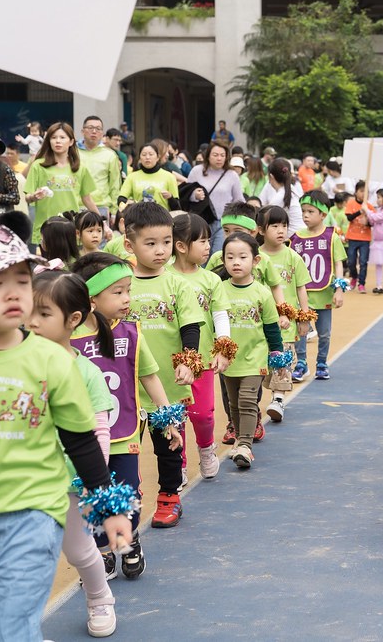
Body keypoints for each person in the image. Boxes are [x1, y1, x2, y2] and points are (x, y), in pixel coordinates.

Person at [0, 217, 132, 642]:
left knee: (8, 628)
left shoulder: (53, 360)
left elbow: (80, 437)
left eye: (21, 281)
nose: (12, 293)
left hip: (31, 514)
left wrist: (108, 505)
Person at [71, 251, 178, 581]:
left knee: (128, 490)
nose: (127, 298)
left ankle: (129, 541)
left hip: (126, 430)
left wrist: (167, 417)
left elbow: (149, 376)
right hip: (85, 436)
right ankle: (103, 549)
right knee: (94, 494)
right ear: (91, 298)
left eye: (128, 290)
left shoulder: (131, 333)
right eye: (117, 292)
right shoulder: (68, 338)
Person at [29, 270, 119, 637]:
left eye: (43, 314)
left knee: (80, 552)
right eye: (27, 311)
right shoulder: (16, 361)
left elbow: (98, 430)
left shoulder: (85, 372)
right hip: (25, 479)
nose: (31, 321)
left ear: (73, 320)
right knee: (26, 557)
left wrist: (91, 483)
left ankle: (100, 598)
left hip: (69, 481)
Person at [120, 201, 202, 528]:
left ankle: (170, 497)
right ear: (129, 245)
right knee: (124, 452)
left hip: (166, 384)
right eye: (150, 243)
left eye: (166, 242)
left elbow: (191, 326)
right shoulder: (121, 280)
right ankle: (128, 499)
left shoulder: (178, 284)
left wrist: (187, 361)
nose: (161, 250)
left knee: (168, 446)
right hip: (125, 389)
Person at [168, 213, 232, 486]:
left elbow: (220, 316)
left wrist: (223, 348)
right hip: (169, 361)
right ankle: (178, 464)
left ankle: (206, 448)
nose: (209, 246)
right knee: (176, 414)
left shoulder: (211, 280)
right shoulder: (165, 277)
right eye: (203, 241)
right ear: (181, 246)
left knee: (203, 413)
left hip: (202, 359)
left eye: (209, 241)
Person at [218, 231, 285, 468]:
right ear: (223, 260)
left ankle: (245, 445)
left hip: (255, 357)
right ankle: (240, 438)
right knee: (233, 403)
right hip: (228, 360)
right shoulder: (219, 289)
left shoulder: (262, 292)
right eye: (230, 257)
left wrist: (277, 355)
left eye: (242, 257)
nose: (236, 262)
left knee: (247, 400)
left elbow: (271, 327)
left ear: (255, 261)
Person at [256, 205, 310, 418]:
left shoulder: (292, 257)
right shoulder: (255, 257)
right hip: (259, 323)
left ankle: (278, 398)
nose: (281, 230)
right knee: (262, 359)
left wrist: (304, 317)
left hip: (286, 323)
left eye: (284, 225)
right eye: (275, 225)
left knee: (284, 357)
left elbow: (301, 287)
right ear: (261, 230)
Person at [289, 190, 347, 382]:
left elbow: (338, 262)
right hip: (302, 293)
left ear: (323, 214)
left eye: (310, 211)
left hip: (323, 292)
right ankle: (301, 363)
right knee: (301, 330)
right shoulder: (296, 237)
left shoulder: (332, 237)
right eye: (303, 211)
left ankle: (322, 362)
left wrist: (339, 289)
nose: (305, 215)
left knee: (324, 333)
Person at [22, 122, 105, 247]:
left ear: (71, 142)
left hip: (71, 228)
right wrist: (34, 196)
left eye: (62, 138)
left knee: (71, 266)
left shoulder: (80, 168)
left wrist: (101, 224)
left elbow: (87, 199)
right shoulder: (38, 166)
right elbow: (27, 197)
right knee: (49, 266)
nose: (57, 141)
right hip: (46, 228)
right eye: (54, 138)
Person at [180, 140, 244, 254]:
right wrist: (195, 195)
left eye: (222, 155)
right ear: (208, 156)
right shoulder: (196, 171)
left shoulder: (232, 174)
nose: (219, 158)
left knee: (217, 254)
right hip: (200, 220)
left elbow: (238, 199)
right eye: (215, 155)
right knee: (200, 255)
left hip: (223, 222)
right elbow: (185, 193)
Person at [78, 115, 123, 221]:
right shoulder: (72, 153)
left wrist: (114, 212)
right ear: (82, 131)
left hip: (101, 207)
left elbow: (115, 185)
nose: (94, 131)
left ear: (102, 133)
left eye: (98, 129)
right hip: (76, 207)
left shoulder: (110, 155)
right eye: (90, 128)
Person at [119, 143, 180, 211]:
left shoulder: (169, 177)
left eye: (151, 154)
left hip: (162, 219)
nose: (147, 157)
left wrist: (170, 197)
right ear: (140, 158)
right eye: (144, 155)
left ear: (157, 157)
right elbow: (121, 199)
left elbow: (177, 206)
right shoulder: (131, 177)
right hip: (138, 218)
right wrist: (129, 204)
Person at [259, 157, 305, 237]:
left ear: (271, 176)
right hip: (301, 234)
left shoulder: (279, 198)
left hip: (293, 238)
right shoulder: (291, 189)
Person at [344, 180, 372, 293]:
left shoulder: (369, 206)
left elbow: (374, 222)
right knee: (351, 261)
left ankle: (362, 283)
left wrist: (368, 221)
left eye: (366, 192)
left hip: (365, 238)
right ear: (356, 192)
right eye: (361, 191)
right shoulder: (351, 203)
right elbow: (349, 218)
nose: (363, 194)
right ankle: (354, 276)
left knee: (363, 262)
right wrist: (359, 212)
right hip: (352, 237)